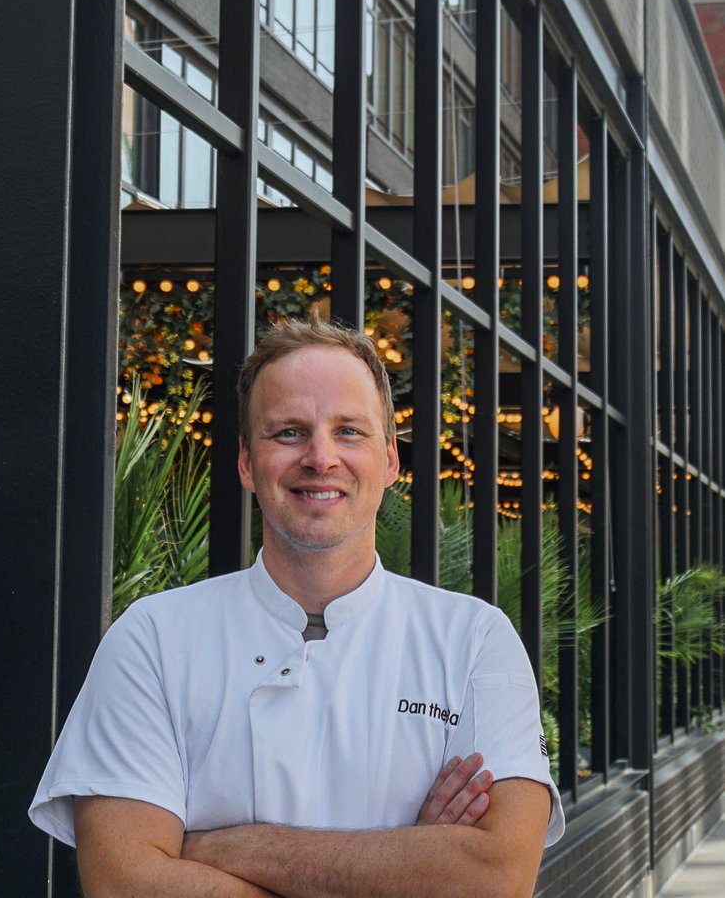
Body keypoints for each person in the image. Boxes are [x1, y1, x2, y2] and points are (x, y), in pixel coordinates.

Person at [30, 316, 565, 896]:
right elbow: (123, 885)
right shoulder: (153, 639)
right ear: (244, 462)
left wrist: (228, 848)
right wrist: (406, 870)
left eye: (349, 432)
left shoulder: (475, 640)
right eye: (288, 432)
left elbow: (498, 877)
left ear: (390, 461)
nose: (320, 457)